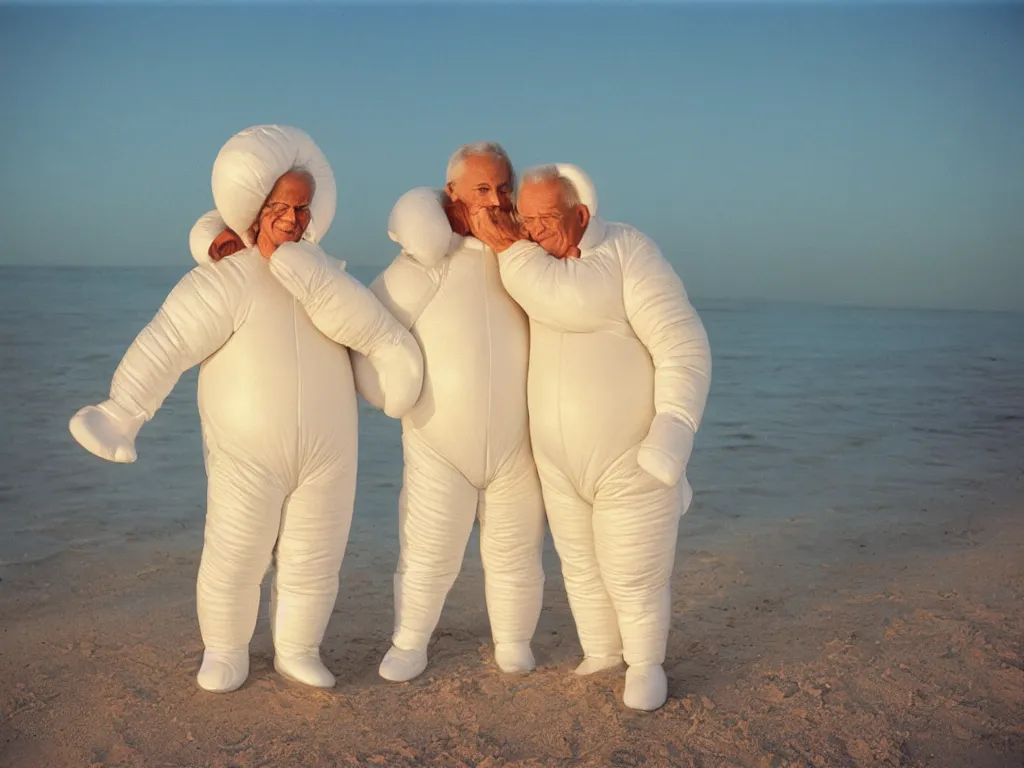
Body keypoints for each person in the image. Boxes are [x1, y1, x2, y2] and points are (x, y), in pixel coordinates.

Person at [69, 125, 423, 694]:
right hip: (247, 452)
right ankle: (226, 649)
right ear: (256, 208)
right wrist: (123, 411)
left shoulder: (326, 276)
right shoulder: (226, 279)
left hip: (328, 455)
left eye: (301, 206)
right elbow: (168, 341)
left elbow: (364, 331)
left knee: (315, 558)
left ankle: (298, 649)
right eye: (280, 204)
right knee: (236, 552)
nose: (291, 216)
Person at [451, 163, 711, 711]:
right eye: (529, 218)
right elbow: (440, 212)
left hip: (629, 454)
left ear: (581, 214)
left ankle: (645, 663)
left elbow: (680, 341)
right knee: (579, 563)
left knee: (633, 568)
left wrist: (674, 426)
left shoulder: (623, 252)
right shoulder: (533, 256)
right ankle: (601, 651)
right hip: (557, 460)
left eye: (549, 217)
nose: (537, 229)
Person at [358, 142, 546, 682]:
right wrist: (391, 393)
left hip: (517, 445)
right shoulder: (424, 266)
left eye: (503, 188)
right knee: (428, 549)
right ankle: (409, 642)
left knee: (517, 551)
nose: (494, 200)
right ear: (452, 194)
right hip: (439, 441)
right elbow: (362, 330)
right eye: (482, 188)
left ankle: (513, 640)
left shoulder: (522, 259)